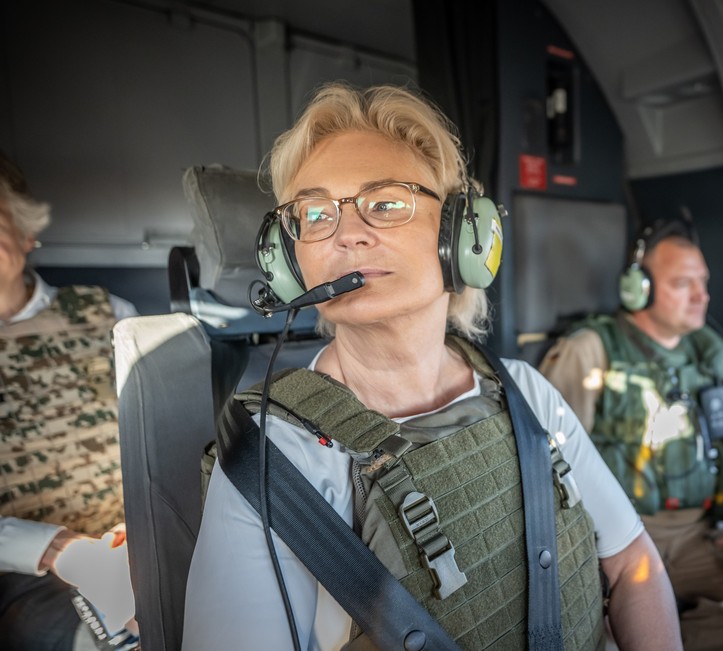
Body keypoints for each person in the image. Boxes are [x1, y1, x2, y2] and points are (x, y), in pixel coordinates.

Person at [182, 83, 682, 650]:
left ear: (462, 235)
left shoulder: (525, 392)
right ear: (289, 260)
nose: (345, 233)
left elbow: (634, 565)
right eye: (315, 213)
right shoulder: (276, 457)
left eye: (386, 203)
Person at [539, 219, 723, 650]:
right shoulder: (590, 350)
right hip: (614, 539)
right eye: (684, 283)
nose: (702, 296)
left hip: (700, 534)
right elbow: (544, 467)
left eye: (703, 281)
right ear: (638, 288)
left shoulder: (712, 352)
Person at [0, 152, 139, 650]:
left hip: (131, 537)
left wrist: (148, 522)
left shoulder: (107, 315)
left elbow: (159, 434)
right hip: (26, 573)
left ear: (25, 233)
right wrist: (53, 549)